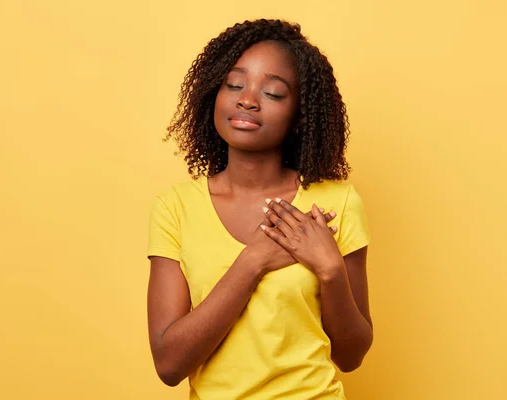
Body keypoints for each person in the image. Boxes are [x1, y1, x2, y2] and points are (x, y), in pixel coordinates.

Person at [147, 18, 373, 399]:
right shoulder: (175, 207)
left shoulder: (336, 203)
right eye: (234, 85)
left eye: (272, 93)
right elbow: (169, 364)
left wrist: (330, 270)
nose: (247, 99)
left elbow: (351, 355)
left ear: (300, 117)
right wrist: (254, 260)